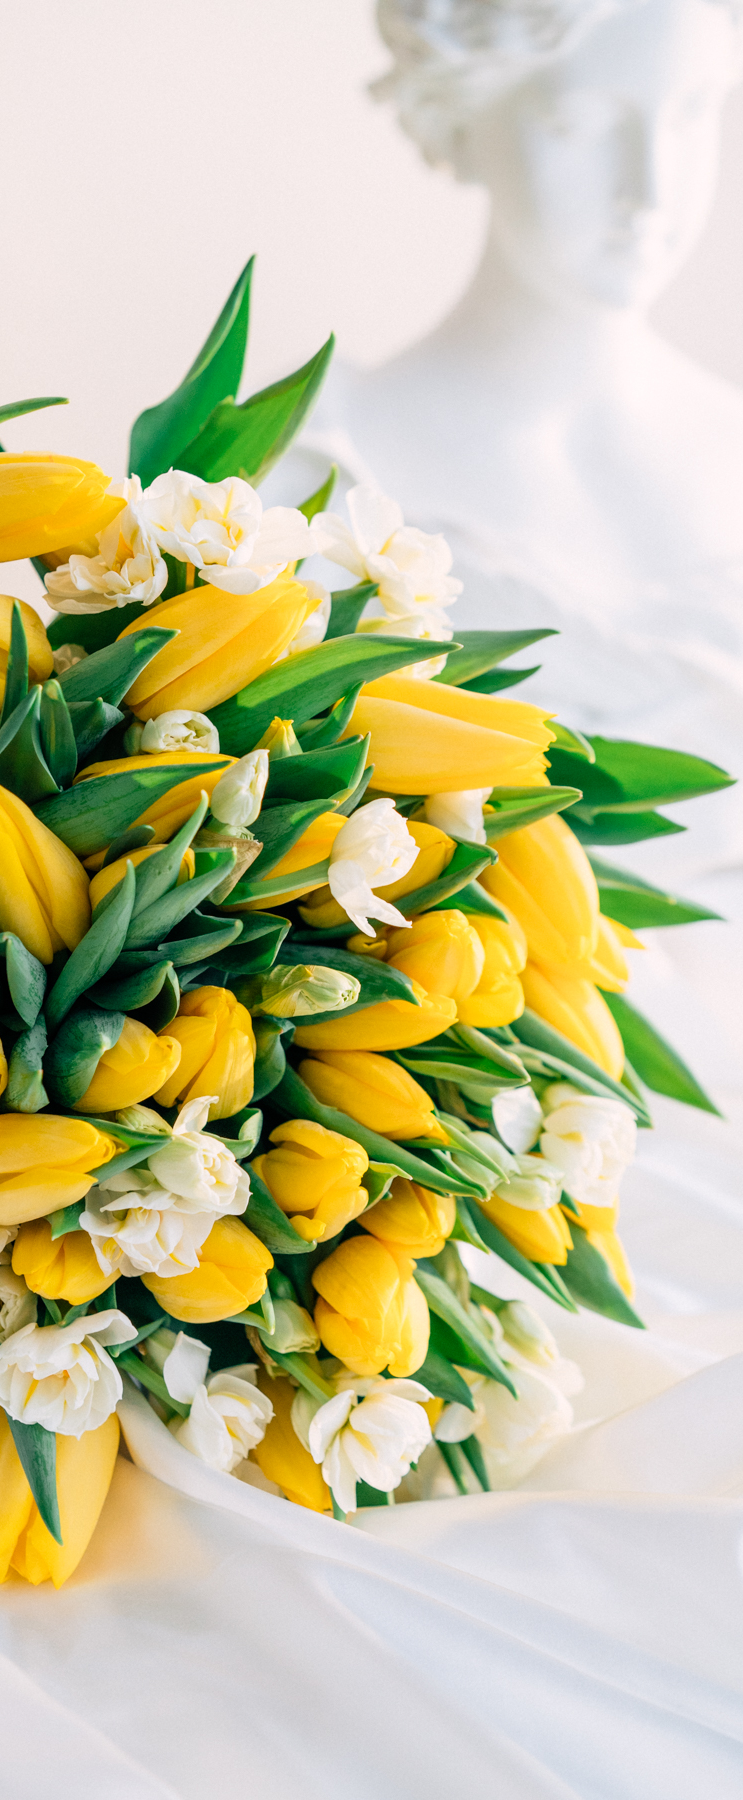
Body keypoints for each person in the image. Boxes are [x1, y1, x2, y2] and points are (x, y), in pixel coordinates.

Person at [278, 0, 743, 1136]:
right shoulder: (311, 486)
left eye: (692, 114)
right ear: (465, 106)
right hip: (477, 1148)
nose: (651, 187)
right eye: (585, 124)